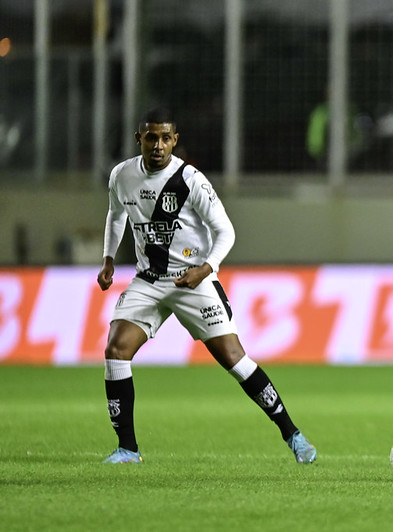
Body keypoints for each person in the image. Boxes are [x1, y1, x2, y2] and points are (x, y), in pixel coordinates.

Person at [97, 107, 316, 465]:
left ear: (175, 141)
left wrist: (205, 269)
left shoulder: (190, 180)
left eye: (166, 138)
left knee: (234, 359)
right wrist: (108, 259)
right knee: (116, 351)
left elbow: (226, 231)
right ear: (139, 139)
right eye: (151, 137)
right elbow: (116, 214)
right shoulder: (122, 175)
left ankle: (292, 433)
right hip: (149, 280)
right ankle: (128, 449)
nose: (158, 145)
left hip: (193, 280)